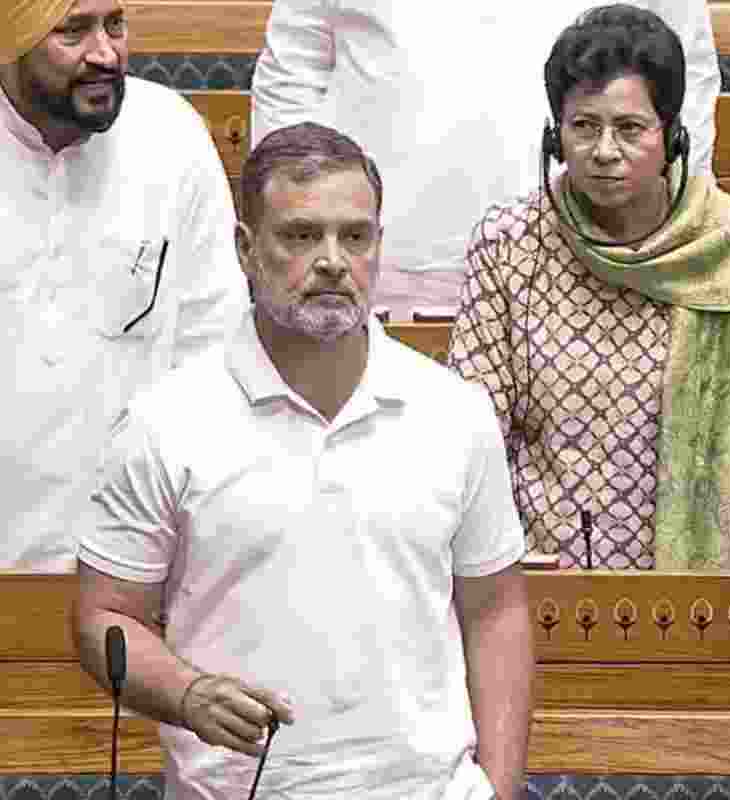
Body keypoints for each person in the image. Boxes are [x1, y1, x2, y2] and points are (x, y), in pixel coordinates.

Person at [73, 122, 533, 800]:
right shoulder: (163, 422)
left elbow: (496, 613)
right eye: (299, 235)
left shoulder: (455, 413)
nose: (331, 260)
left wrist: (500, 788)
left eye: (356, 236)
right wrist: (187, 693)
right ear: (244, 249)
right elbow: (102, 618)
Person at [450, 5, 730, 571]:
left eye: (629, 129)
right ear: (555, 136)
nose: (603, 151)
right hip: (535, 585)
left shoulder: (720, 248)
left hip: (692, 606)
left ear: (671, 136)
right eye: (584, 126)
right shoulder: (509, 246)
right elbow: (472, 439)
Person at [250, 0, 721, 319]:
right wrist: (296, 238)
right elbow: (293, 71)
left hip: (590, 278)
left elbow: (685, 78)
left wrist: (658, 239)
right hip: (371, 277)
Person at [0, 0, 246, 571]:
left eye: (115, 25)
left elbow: (215, 345)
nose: (105, 54)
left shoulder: (170, 135)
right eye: (73, 31)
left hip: (134, 556)